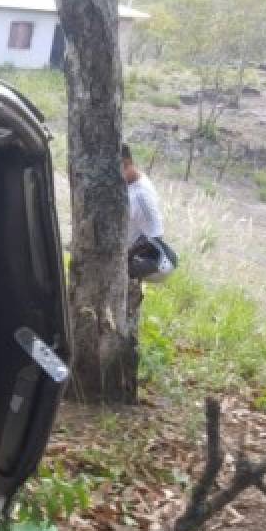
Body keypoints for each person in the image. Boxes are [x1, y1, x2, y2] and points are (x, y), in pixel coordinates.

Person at [121, 143, 168, 399]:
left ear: (127, 164)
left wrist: (126, 258)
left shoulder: (142, 195)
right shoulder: (128, 186)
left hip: (129, 267)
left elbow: (154, 237)